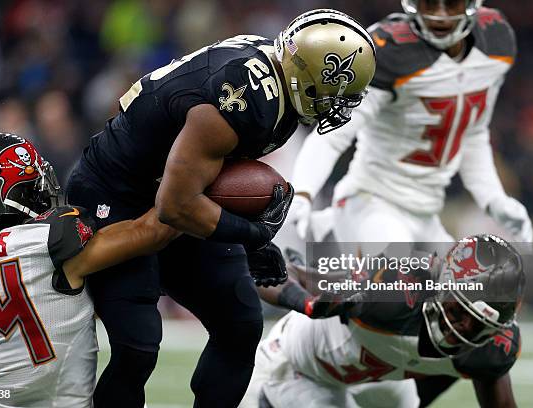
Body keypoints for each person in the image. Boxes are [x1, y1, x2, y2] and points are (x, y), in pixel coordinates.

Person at [66, 9, 377, 407]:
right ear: (313, 76)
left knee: (241, 323)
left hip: (178, 189)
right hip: (119, 192)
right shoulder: (242, 98)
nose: (340, 107)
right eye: (339, 93)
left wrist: (255, 245)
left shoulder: (277, 80)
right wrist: (252, 234)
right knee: (137, 344)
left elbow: (195, 189)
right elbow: (174, 207)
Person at [0, 132, 178, 407]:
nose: (42, 190)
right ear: (13, 194)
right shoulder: (46, 245)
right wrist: (193, 185)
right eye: (33, 185)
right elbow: (152, 231)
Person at [286, 1, 533, 249]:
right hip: (372, 202)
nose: (440, 15)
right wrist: (303, 193)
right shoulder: (388, 50)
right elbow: (333, 134)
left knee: (475, 285)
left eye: (451, 3)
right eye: (429, 3)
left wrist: (493, 198)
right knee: (400, 280)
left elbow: (472, 133)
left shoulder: (495, 40)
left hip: (428, 214)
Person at [243, 234, 525, 408]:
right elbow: (285, 272)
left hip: (376, 378)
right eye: (459, 311)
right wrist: (306, 302)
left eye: (479, 325)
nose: (463, 329)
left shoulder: (490, 349)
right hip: (294, 367)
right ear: (441, 285)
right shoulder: (392, 287)